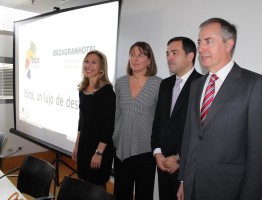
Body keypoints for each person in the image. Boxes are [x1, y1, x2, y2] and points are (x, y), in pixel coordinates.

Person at [177, 18, 262, 200]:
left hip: (228, 189)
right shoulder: (196, 85)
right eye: (199, 42)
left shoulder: (254, 84)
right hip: (192, 185)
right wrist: (183, 179)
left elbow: (259, 152)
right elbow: (190, 135)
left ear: (228, 45)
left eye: (208, 41)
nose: (201, 48)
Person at [151, 36, 202, 200]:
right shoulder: (165, 84)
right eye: (167, 53)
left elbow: (202, 132)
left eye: (174, 53)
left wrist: (179, 159)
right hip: (162, 162)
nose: (169, 58)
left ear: (190, 56)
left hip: (188, 166)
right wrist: (157, 152)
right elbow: (158, 120)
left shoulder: (202, 84)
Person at [113, 41, 162, 200]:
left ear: (149, 60)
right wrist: (116, 137)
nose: (135, 58)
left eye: (140, 55)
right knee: (121, 192)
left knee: (144, 193)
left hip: (145, 149)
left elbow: (160, 118)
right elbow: (117, 114)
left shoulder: (158, 83)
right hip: (121, 146)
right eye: (132, 55)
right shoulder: (120, 82)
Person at [72, 50, 115, 187]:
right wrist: (77, 145)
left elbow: (109, 126)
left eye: (93, 62)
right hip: (84, 146)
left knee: (96, 188)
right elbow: (82, 121)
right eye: (86, 61)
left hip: (100, 148)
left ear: (101, 68)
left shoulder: (107, 91)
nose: (88, 65)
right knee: (84, 183)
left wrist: (99, 153)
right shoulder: (83, 90)